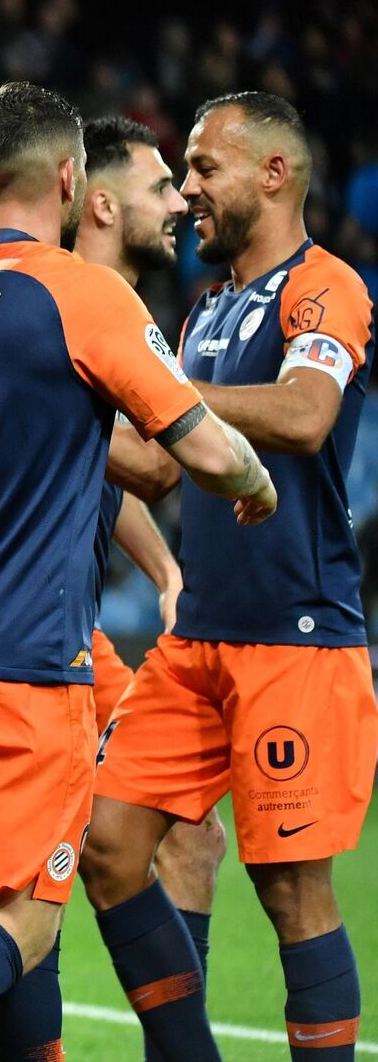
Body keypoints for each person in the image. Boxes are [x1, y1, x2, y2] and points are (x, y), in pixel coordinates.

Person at [0, 81, 275, 1061]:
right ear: (71, 181)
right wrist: (256, 483)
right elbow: (197, 451)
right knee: (24, 917)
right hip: (21, 657)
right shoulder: (83, 294)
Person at [82, 91, 376, 1061]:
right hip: (197, 642)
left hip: (297, 641)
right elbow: (164, 465)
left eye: (205, 169)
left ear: (274, 174)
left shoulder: (325, 286)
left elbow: (303, 415)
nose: (189, 191)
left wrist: (152, 389)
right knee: (110, 849)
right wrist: (67, 417)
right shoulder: (205, 310)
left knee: (291, 889)